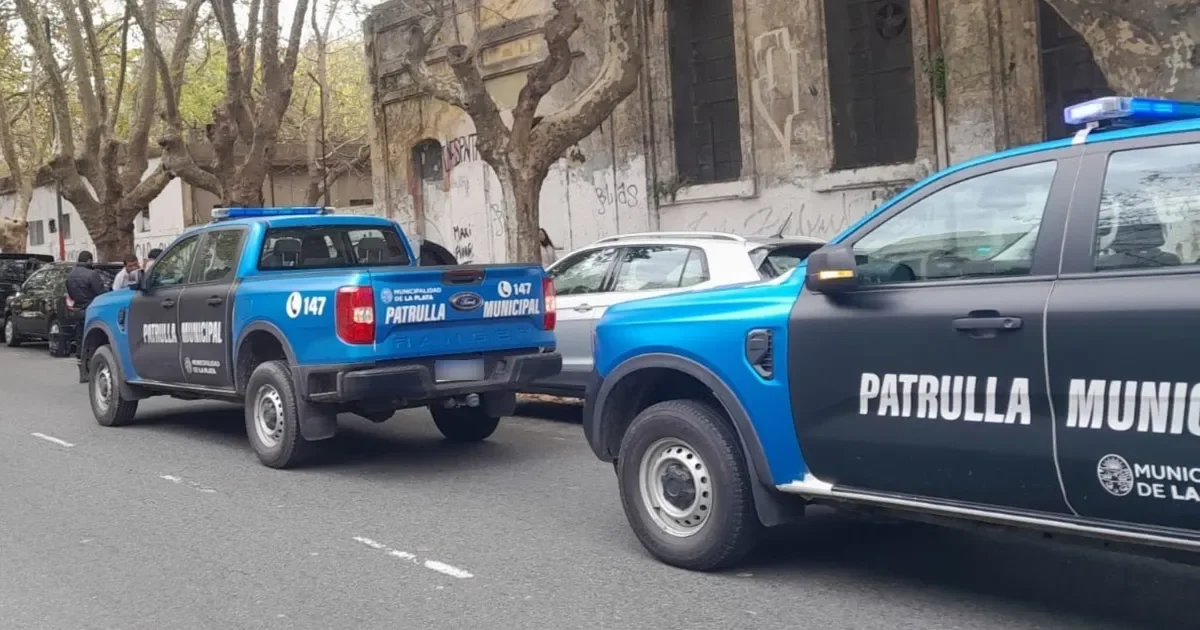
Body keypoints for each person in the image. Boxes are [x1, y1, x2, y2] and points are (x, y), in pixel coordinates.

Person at [65, 251, 109, 357]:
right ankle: (91, 354)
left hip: (77, 309)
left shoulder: (70, 275)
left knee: (79, 333)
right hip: (90, 308)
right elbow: (100, 293)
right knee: (93, 333)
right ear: (89, 260)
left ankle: (80, 353)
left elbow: (70, 293)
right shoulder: (92, 274)